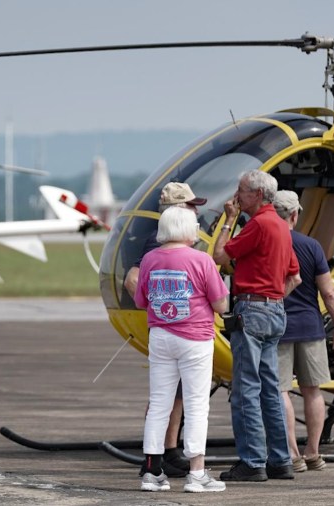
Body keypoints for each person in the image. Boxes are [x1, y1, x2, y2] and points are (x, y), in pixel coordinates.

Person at [211, 170, 301, 482]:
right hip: (275, 309)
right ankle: (280, 459)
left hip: (252, 307)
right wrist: (273, 298)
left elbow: (219, 254)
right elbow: (294, 275)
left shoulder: (259, 223)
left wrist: (228, 220)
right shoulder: (280, 225)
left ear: (258, 195)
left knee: (246, 387)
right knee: (270, 388)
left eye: (242, 191)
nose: (237, 196)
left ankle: (252, 461)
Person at [134, 206, 229, 493]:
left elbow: (141, 301)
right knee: (197, 403)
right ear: (190, 230)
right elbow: (221, 305)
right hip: (195, 338)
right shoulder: (201, 259)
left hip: (161, 335)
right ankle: (197, 473)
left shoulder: (150, 258)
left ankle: (152, 471)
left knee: (159, 403)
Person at [124, 181, 208, 477]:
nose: (195, 211)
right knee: (168, 396)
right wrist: (165, 310)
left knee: (176, 395)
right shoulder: (157, 245)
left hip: (169, 330)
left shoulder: (167, 244)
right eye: (190, 206)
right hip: (177, 330)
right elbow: (132, 279)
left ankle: (165, 452)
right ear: (176, 210)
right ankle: (164, 455)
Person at [272, 190, 334, 472]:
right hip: (310, 326)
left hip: (277, 327)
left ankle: (292, 453)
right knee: (312, 391)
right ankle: (313, 452)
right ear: (295, 215)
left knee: (280, 390)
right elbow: (329, 293)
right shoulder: (312, 246)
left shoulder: (266, 242)